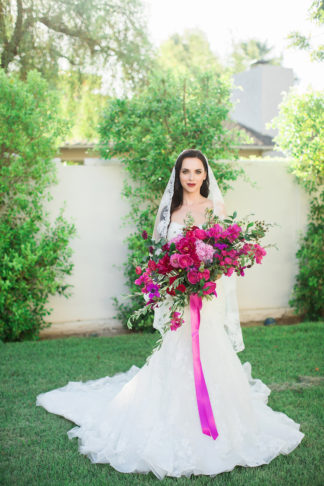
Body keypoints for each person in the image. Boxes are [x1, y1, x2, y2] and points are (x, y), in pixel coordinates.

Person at [36, 149, 304, 480]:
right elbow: (160, 256)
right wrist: (173, 282)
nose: (191, 177)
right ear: (178, 176)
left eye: (197, 171)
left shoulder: (215, 209)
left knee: (209, 350)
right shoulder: (169, 212)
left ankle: (220, 420)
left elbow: (225, 255)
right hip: (178, 294)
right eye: (185, 172)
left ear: (206, 175)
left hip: (206, 296)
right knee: (177, 352)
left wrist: (207, 277)